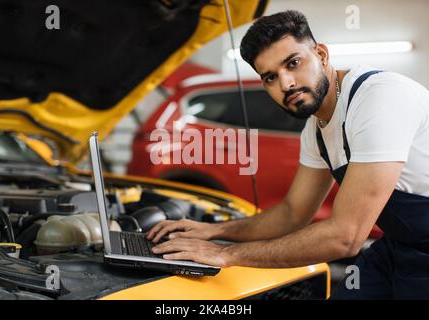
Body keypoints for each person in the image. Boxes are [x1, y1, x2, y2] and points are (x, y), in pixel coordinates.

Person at [146, 10, 429, 299]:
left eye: (293, 63)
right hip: (400, 247)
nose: (286, 84)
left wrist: (224, 254)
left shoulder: (379, 99)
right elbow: (293, 213)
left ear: (320, 54)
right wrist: (210, 231)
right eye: (270, 77)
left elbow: (346, 237)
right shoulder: (316, 130)